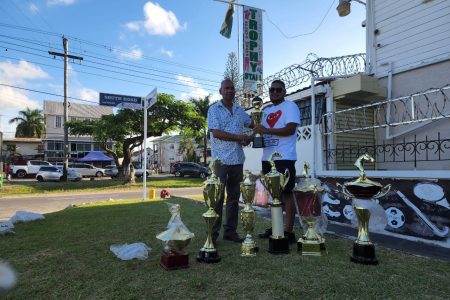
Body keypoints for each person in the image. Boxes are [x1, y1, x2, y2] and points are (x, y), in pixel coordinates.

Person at [253, 79, 300, 243]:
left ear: (284, 92)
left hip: (284, 157)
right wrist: (250, 137)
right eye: (271, 90)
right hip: (267, 158)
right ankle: (277, 227)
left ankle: (288, 231)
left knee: (286, 194)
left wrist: (265, 129)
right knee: (275, 196)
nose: (274, 93)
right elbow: (261, 131)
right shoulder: (265, 111)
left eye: (278, 90)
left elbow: (290, 129)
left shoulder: (290, 106)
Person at [207, 78, 253, 244]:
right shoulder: (214, 109)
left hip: (237, 160)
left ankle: (230, 232)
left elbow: (252, 125)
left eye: (232, 88)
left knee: (234, 198)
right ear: (220, 91)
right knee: (217, 198)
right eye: (226, 88)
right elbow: (216, 132)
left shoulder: (240, 110)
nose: (229, 90)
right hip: (221, 161)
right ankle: (212, 235)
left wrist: (249, 137)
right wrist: (239, 137)